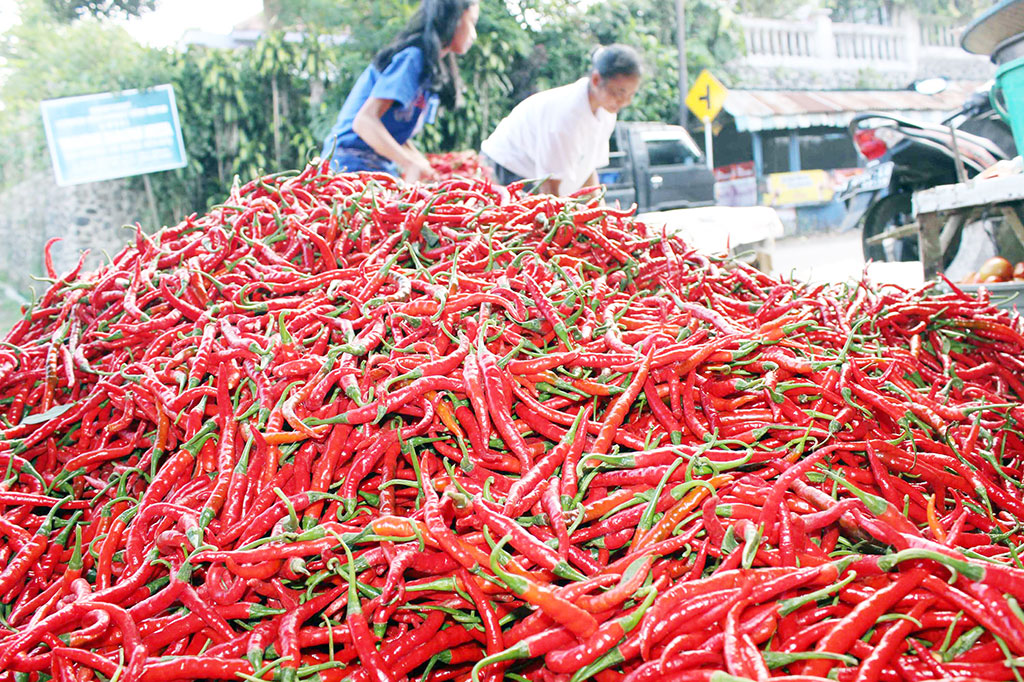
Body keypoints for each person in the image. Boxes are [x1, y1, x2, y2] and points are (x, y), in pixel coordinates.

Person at [321, 0, 480, 182]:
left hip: (377, 166)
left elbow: (394, 133)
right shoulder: (413, 57)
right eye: (472, 22)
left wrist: (421, 163)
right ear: (454, 19)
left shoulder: (431, 66)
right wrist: (409, 163)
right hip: (348, 164)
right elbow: (364, 122)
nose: (474, 35)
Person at [480, 44, 642, 196]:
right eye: (619, 93)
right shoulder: (566, 115)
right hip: (507, 168)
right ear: (596, 80)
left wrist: (601, 213)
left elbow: (587, 169)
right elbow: (549, 187)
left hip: (538, 177)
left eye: (630, 95)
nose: (624, 102)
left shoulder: (607, 113)